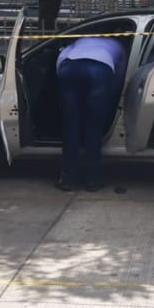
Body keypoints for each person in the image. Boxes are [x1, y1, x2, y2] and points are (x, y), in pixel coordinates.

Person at [56, 36, 127, 192]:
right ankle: (93, 180)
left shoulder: (79, 41)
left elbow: (60, 59)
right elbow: (120, 75)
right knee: (93, 126)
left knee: (71, 126)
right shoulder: (118, 45)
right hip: (100, 69)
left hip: (69, 67)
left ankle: (67, 179)